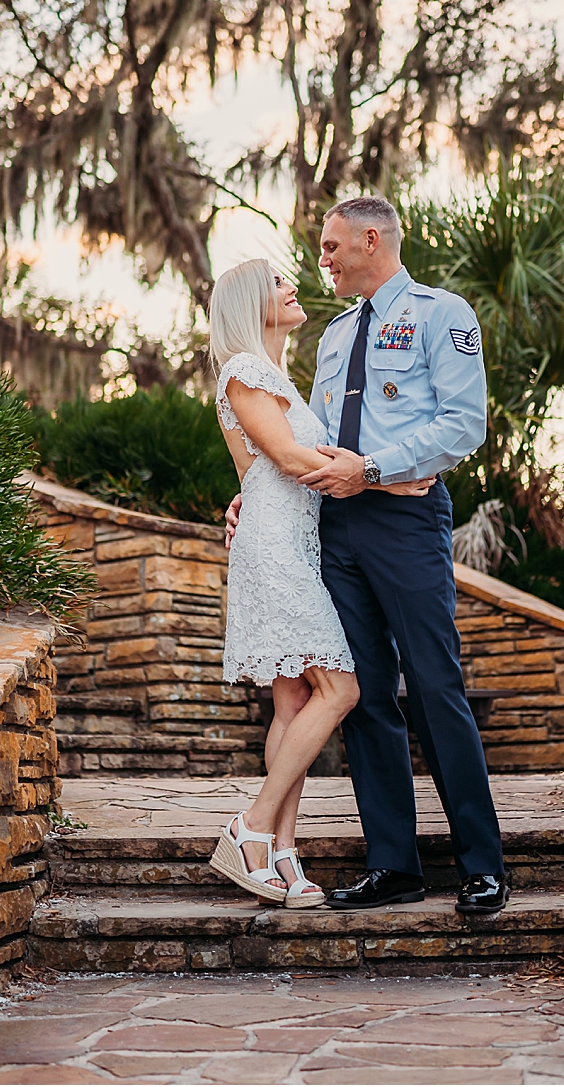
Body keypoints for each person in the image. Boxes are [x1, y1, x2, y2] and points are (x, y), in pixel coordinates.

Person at [225, 196, 509, 916]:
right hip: (333, 526)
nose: (322, 260)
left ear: (370, 239)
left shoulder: (443, 314)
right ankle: (394, 865)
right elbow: (302, 439)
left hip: (404, 521)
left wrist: (374, 468)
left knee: (436, 685)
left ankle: (482, 863)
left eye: (330, 246)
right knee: (365, 696)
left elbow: (463, 422)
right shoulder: (334, 333)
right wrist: (253, 493)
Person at [206, 256, 432, 906]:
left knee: (294, 704)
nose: (293, 285)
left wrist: (240, 500)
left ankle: (282, 852)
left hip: (296, 542)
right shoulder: (244, 371)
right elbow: (282, 457)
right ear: (254, 302)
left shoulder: (278, 377)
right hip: (275, 551)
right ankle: (249, 826)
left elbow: (254, 474)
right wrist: (382, 472)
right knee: (343, 690)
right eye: (278, 282)